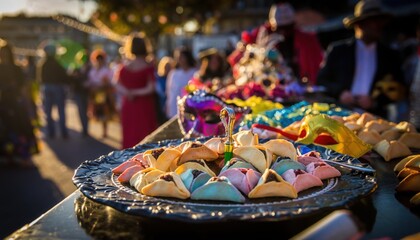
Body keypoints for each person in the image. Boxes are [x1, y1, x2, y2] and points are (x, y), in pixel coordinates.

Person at [316, 0, 406, 120]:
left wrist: (374, 101)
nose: (378, 25)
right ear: (360, 25)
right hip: (340, 114)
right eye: (373, 21)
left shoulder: (390, 55)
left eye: (379, 21)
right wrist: (340, 93)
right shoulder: (338, 50)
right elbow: (322, 80)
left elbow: (399, 87)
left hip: (374, 118)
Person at [256, 2, 324, 85]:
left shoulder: (306, 41)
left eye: (287, 28)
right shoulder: (269, 40)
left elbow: (315, 66)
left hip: (303, 84)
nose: (283, 32)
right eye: (281, 28)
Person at [114, 34, 158, 149]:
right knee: (145, 135)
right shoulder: (148, 67)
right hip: (144, 105)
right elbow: (151, 88)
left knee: (129, 134)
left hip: (128, 104)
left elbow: (116, 84)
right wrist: (135, 93)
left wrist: (128, 93)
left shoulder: (124, 67)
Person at [0, 43, 39, 167]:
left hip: (16, 104)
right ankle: (7, 156)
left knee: (20, 127)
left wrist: (27, 103)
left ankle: (21, 156)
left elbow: (23, 88)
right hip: (3, 103)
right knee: (6, 129)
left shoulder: (16, 69)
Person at [37, 41, 70, 139]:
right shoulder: (58, 63)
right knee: (61, 111)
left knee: (48, 111)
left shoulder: (42, 63)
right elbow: (64, 77)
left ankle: (51, 132)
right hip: (57, 87)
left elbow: (40, 78)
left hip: (46, 87)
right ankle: (63, 132)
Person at [87, 49, 115, 138]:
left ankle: (105, 131)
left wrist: (104, 84)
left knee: (105, 112)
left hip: (104, 93)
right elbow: (91, 81)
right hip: (95, 93)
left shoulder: (106, 70)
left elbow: (110, 81)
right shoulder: (93, 70)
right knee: (96, 112)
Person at [165, 47, 196, 119]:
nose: (180, 59)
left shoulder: (194, 72)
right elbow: (169, 91)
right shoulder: (173, 73)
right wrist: (167, 105)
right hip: (174, 107)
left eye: (182, 57)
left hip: (189, 107)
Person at [70, 50, 91, 137]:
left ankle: (86, 128)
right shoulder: (75, 68)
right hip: (78, 92)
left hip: (88, 92)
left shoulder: (90, 68)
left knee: (87, 111)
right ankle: (84, 129)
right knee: (81, 111)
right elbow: (71, 80)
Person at [155, 56, 175, 124]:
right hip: (161, 105)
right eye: (166, 67)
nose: (167, 69)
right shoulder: (159, 79)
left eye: (169, 67)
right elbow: (160, 92)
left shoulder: (175, 76)